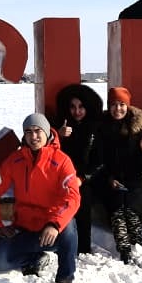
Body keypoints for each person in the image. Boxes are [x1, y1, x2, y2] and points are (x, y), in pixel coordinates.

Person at [0, 112, 81, 283]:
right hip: (25, 228)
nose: (33, 136)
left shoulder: (62, 161)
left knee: (69, 227)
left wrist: (54, 224)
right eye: (28, 132)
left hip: (51, 230)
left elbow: (73, 197)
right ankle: (35, 259)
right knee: (1, 259)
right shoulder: (15, 160)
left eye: (37, 131)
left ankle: (65, 281)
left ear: (46, 133)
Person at [93, 87, 142, 265]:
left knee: (131, 210)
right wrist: (109, 178)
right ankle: (125, 251)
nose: (117, 109)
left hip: (135, 181)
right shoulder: (102, 128)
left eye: (121, 105)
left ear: (128, 106)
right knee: (118, 210)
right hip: (110, 181)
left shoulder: (139, 129)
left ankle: (138, 247)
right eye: (113, 104)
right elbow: (99, 160)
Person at [54, 83, 105, 255]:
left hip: (85, 179)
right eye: (73, 107)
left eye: (81, 107)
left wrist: (83, 178)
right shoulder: (60, 126)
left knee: (84, 201)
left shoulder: (96, 128)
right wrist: (58, 137)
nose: (77, 111)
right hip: (61, 178)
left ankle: (83, 247)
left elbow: (100, 161)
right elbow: (49, 154)